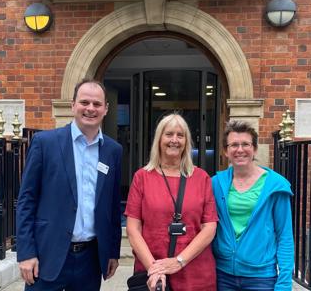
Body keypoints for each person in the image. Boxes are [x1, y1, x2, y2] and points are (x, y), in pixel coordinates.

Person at [16, 78, 123, 291]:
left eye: (97, 104)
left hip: (90, 260)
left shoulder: (113, 150)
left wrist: (112, 251)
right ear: (73, 105)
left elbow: (112, 205)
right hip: (48, 256)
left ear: (106, 109)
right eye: (84, 102)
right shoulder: (45, 143)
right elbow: (26, 201)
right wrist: (26, 252)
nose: (90, 109)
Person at [125, 113, 218, 291]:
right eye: (169, 134)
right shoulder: (142, 177)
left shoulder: (201, 178)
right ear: (159, 139)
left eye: (180, 135)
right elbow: (133, 228)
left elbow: (209, 228)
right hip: (153, 273)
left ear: (186, 142)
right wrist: (154, 268)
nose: (174, 140)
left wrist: (179, 261)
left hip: (196, 274)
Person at [212, 120, 294, 291]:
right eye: (234, 145)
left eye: (246, 144)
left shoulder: (275, 186)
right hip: (223, 274)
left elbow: (284, 236)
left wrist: (284, 283)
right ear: (226, 151)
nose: (240, 150)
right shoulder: (216, 183)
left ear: (254, 149)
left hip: (261, 278)